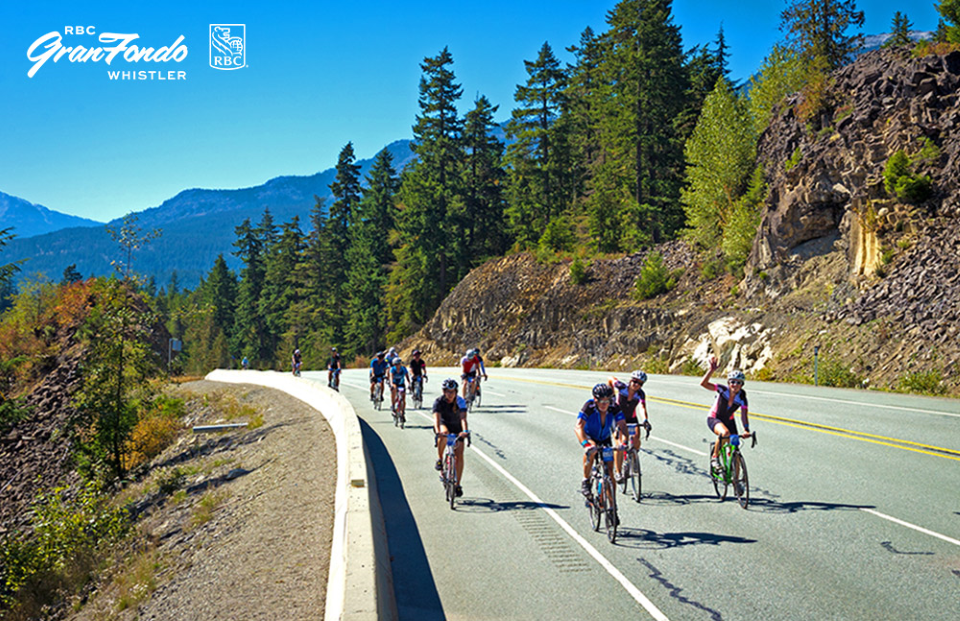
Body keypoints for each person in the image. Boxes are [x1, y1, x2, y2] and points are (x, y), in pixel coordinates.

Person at [575, 383, 627, 503]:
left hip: (605, 438)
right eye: (601, 401)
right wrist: (585, 444)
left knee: (609, 472)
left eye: (607, 401)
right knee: (592, 449)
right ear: (595, 399)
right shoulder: (589, 406)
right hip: (589, 436)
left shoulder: (614, 407)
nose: (604, 404)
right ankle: (586, 480)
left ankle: (612, 506)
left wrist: (623, 442)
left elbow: (622, 425)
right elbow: (578, 427)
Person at [700, 355, 751, 474]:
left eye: (738, 382)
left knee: (736, 451)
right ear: (728, 383)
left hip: (729, 420)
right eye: (732, 382)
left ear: (742, 385)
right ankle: (715, 458)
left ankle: (737, 481)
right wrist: (711, 370)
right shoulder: (722, 390)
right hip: (714, 418)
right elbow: (704, 384)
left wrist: (746, 429)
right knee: (725, 433)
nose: (735, 384)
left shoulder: (742, 398)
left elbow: (744, 415)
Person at [608, 370, 652, 480]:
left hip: (631, 417)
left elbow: (642, 407)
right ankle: (618, 473)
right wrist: (611, 395)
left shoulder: (640, 394)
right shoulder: (621, 386)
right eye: (634, 381)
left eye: (640, 383)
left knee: (636, 438)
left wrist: (645, 420)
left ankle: (633, 458)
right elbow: (610, 378)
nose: (636, 384)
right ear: (630, 380)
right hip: (617, 418)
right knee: (620, 444)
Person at [433, 378, 470, 498]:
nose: (450, 394)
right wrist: (438, 431)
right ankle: (439, 458)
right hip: (444, 424)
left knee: (459, 456)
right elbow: (436, 419)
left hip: (457, 426)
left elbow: (463, 418)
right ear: (444, 391)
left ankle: (457, 484)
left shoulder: (460, 401)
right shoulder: (438, 401)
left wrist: (464, 431)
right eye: (448, 392)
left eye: (452, 392)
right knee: (444, 433)